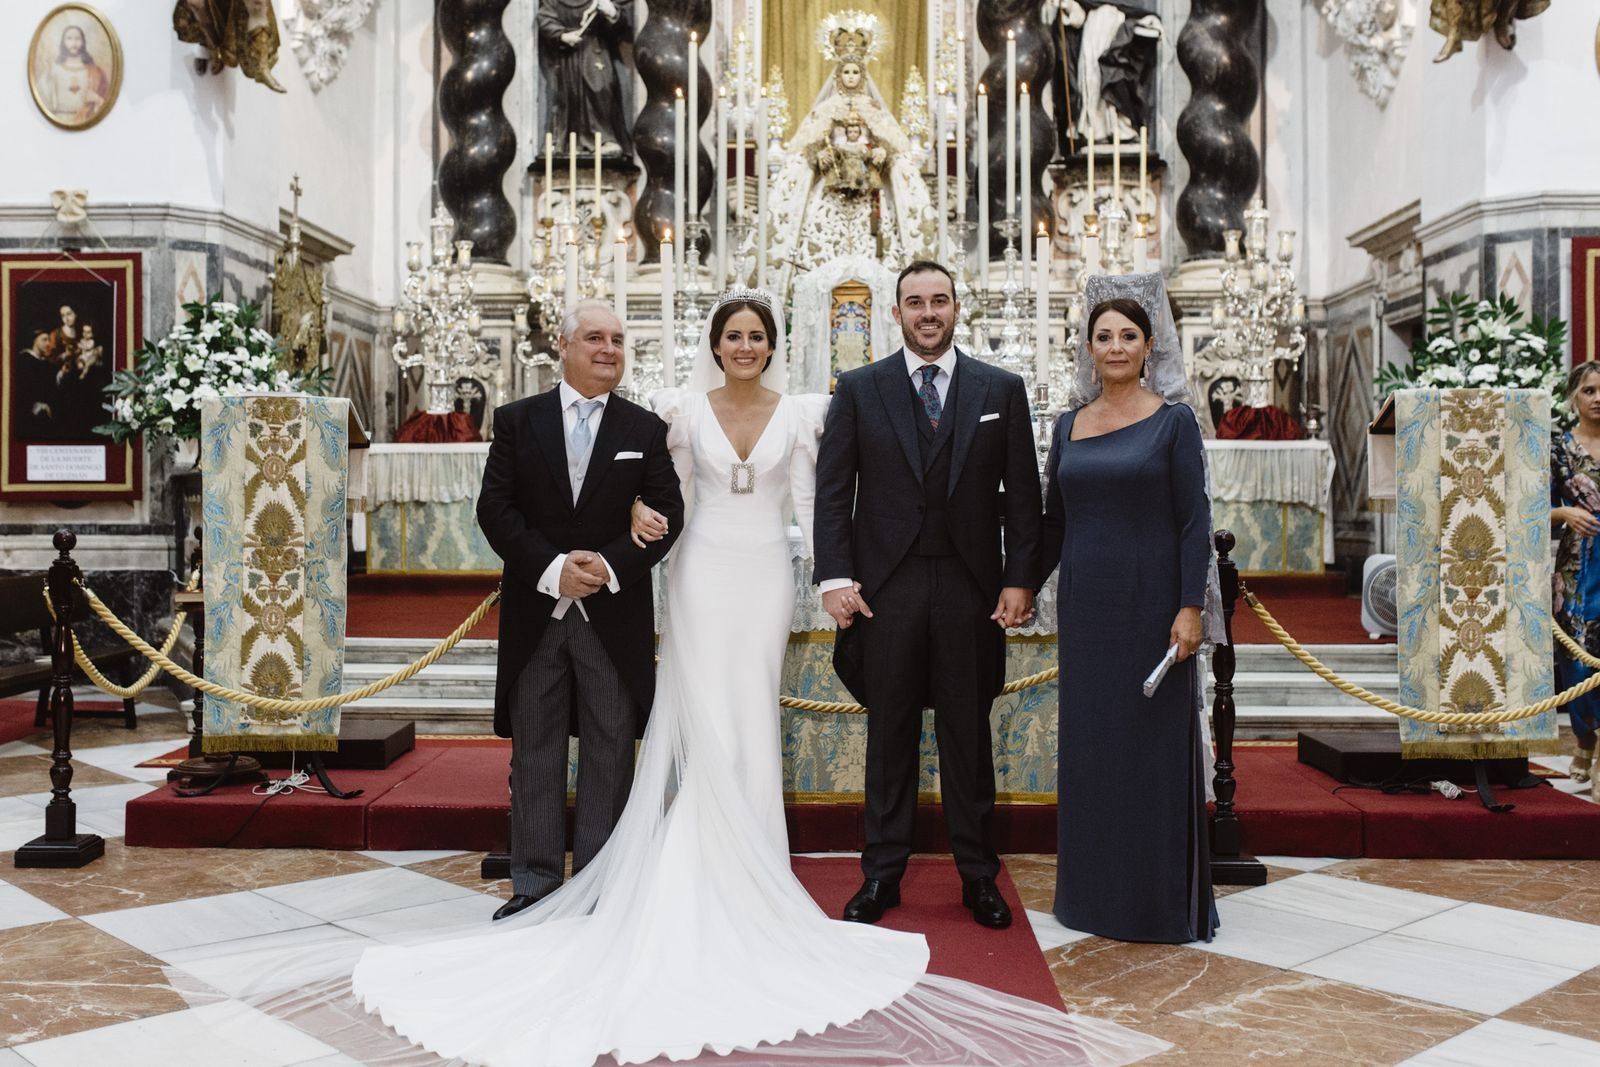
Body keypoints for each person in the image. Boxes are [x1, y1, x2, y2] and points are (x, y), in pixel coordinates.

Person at [349, 288, 1167, 1067]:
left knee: (751, 714)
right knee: (703, 709)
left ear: (774, 346)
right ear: (715, 346)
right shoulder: (674, 413)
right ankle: (688, 862)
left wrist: (828, 578)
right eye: (733, 335)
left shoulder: (807, 412)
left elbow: (819, 499)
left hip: (769, 574)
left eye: (757, 336)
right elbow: (647, 488)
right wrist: (639, 522)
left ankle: (759, 866)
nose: (745, 346)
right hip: (702, 572)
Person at [814, 260, 1042, 930]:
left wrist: (1019, 577)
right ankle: (881, 873)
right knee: (890, 736)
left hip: (972, 588)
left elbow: (1024, 496)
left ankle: (979, 876)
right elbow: (834, 492)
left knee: (968, 735)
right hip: (888, 589)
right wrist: (835, 578)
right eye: (915, 302)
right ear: (896, 313)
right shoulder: (859, 388)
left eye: (939, 300)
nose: (928, 312)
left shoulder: (1002, 387)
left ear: (956, 307)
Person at [473, 299, 684, 921]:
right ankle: (534, 883)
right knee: (535, 749)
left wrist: (611, 566)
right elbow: (497, 510)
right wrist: (553, 569)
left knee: (610, 750)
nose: (608, 349)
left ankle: (599, 882)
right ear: (563, 348)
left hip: (610, 618)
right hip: (538, 612)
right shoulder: (517, 421)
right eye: (594, 338)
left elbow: (667, 514)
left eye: (617, 340)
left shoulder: (643, 429)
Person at [1038, 272, 1222, 944]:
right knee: (1093, 752)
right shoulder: (1068, 426)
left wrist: (1189, 606)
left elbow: (1192, 521)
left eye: (1128, 336)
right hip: (1087, 613)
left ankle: (1153, 901)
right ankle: (1090, 895)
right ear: (1088, 348)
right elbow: (1053, 523)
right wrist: (1019, 586)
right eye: (1104, 336)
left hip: (1152, 610)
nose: (1115, 347)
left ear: (1150, 347)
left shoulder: (1173, 422)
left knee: (1148, 754)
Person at [765, 16, 936, 303]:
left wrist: (883, 153)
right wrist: (819, 155)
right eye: (846, 72)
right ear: (838, 75)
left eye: (856, 71)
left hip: (870, 195)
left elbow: (893, 142)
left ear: (863, 74)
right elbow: (807, 144)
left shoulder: (872, 108)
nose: (851, 77)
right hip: (830, 196)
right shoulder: (828, 109)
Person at [1551, 360, 1600, 802]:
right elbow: (1527, 506)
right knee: (1579, 659)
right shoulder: (1558, 448)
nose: (1598, 398)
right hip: (1579, 564)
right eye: (1589, 390)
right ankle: (1586, 739)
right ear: (1574, 397)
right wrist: (1563, 512)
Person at [536, 0, 634, 157]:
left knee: (600, 88)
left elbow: (622, 23)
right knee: (568, 96)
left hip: (595, 48)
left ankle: (604, 138)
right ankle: (567, 142)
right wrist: (562, 35)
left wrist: (611, 11)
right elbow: (545, 18)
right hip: (568, 56)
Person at [39, 24, 109, 125]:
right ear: (63, 42)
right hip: (59, 121)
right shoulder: (54, 70)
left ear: (83, 42)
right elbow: (43, 99)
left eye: (77, 39)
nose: (74, 43)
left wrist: (97, 100)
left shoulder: (95, 71)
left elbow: (107, 101)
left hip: (87, 121)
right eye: (69, 38)